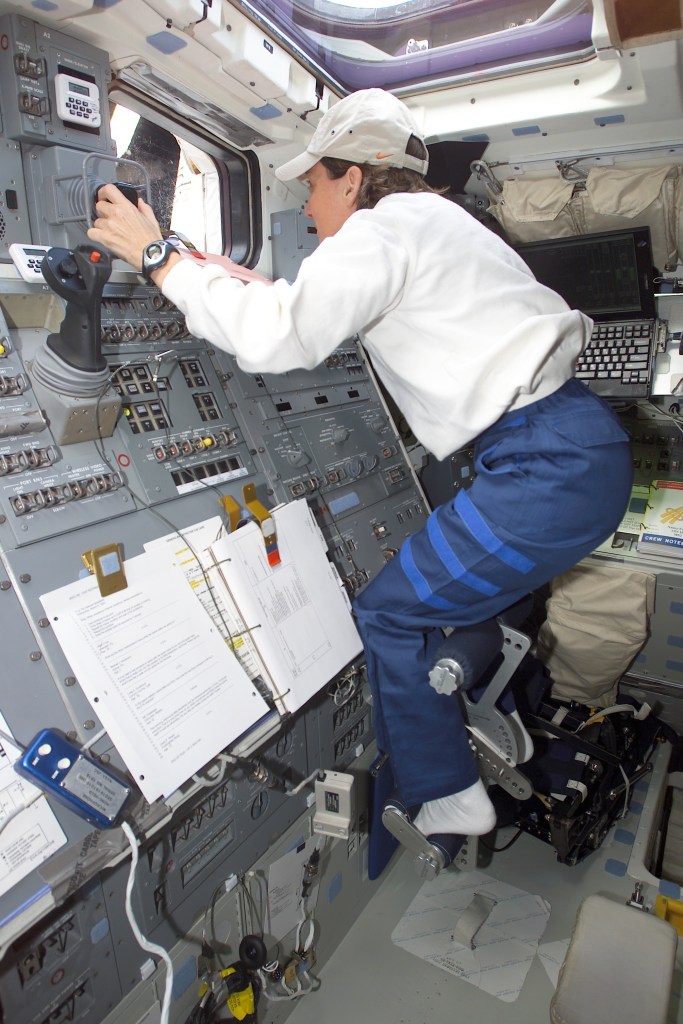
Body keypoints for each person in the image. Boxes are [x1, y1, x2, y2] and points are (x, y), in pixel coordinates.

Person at [88, 88, 633, 867]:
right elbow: (302, 304)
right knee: (440, 601)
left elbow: (281, 340)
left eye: (313, 184)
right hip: (568, 450)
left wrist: (156, 256)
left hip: (543, 466)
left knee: (387, 615)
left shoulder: (382, 229)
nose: (308, 207)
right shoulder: (434, 223)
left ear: (353, 176)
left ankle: (447, 789)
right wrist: (212, 273)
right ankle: (466, 725)